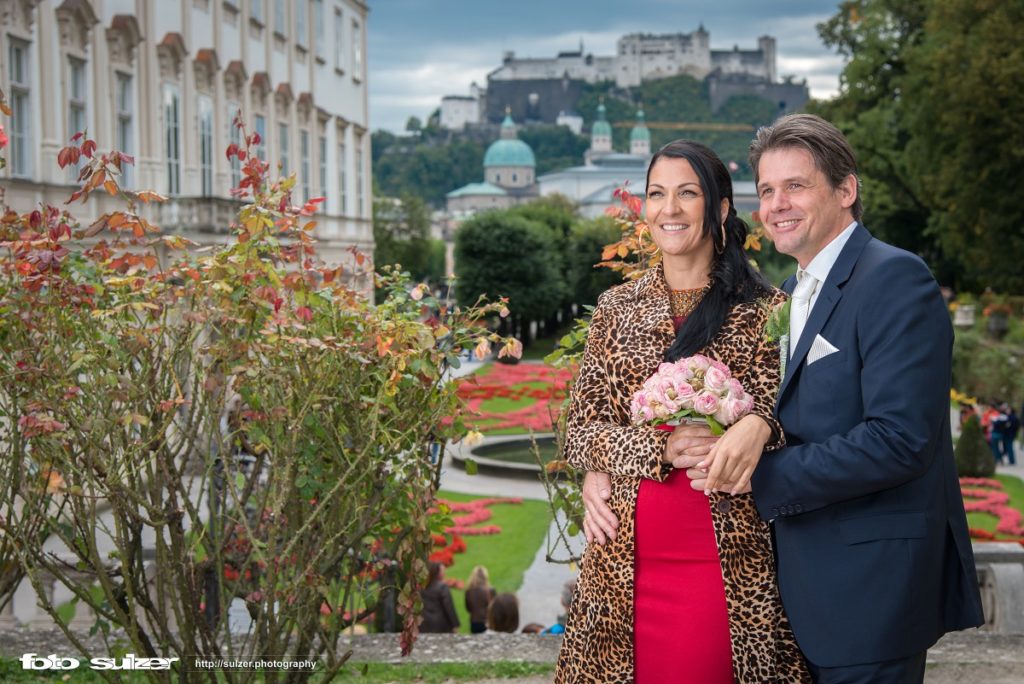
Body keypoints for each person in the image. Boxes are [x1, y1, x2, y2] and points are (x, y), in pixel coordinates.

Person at [689, 113, 983, 682]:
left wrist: (762, 473)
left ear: (846, 190)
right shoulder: (798, 288)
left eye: (795, 186)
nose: (776, 205)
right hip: (811, 590)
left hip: (871, 591)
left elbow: (900, 440)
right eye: (767, 190)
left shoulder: (894, 277)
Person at [556, 140, 809, 683]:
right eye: (656, 194)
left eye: (687, 194)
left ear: (719, 209)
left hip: (722, 564)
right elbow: (579, 432)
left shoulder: (767, 310)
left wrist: (752, 428)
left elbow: (788, 422)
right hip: (618, 564)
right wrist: (656, 448)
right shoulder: (615, 308)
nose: (669, 209)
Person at [418, 561, 460, 633]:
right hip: (440, 624)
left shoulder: (423, 586)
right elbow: (449, 607)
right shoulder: (442, 587)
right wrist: (454, 625)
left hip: (424, 623)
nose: (444, 573)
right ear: (436, 572)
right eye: (443, 571)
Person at [464, 565, 496, 634]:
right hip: (487, 622)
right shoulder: (490, 590)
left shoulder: (469, 591)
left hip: (474, 622)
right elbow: (494, 608)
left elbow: (468, 608)